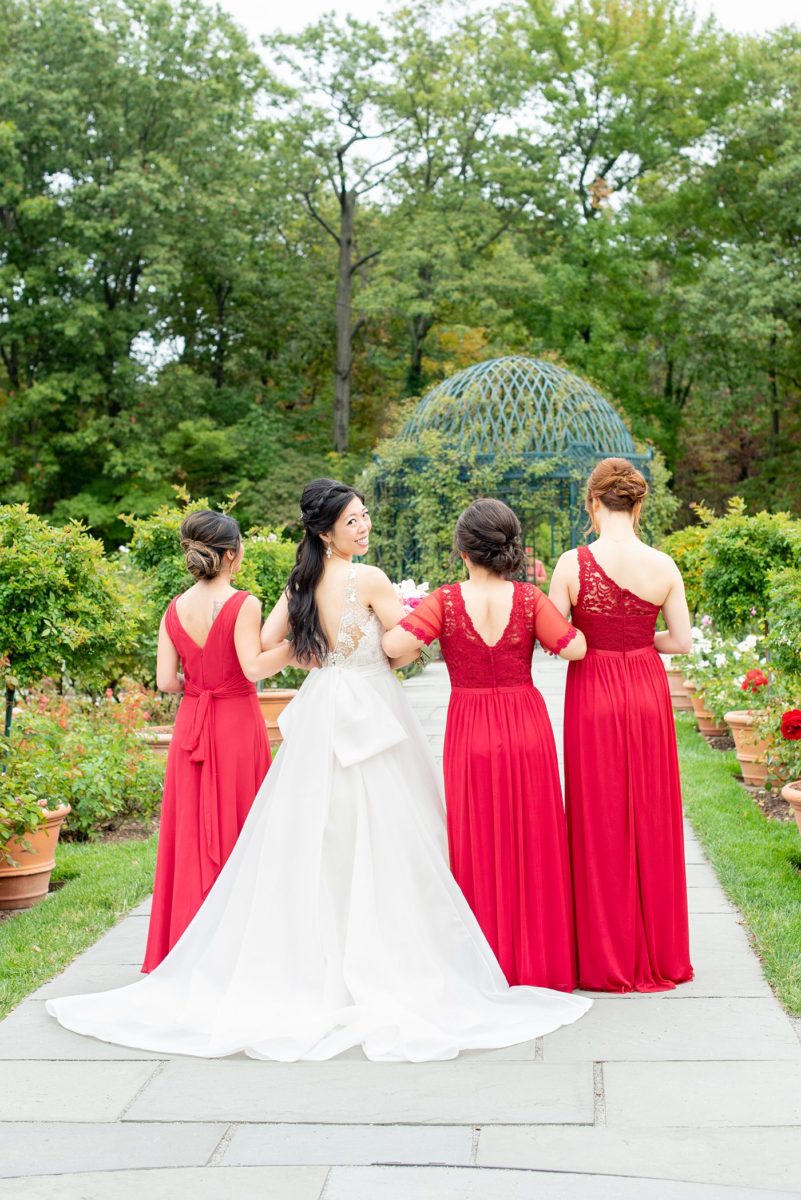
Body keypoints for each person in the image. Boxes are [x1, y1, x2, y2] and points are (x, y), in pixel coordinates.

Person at [47, 480, 591, 1060]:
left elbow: (261, 645)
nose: (365, 526)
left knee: (316, 827)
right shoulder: (372, 580)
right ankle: (390, 951)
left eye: (365, 516)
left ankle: (318, 953)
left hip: (325, 702)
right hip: (372, 706)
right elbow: (397, 648)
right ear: (327, 530)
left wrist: (316, 650)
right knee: (391, 827)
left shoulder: (301, 582)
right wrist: (392, 638)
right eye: (354, 520)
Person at [383, 499, 587, 991]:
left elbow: (395, 646)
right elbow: (574, 646)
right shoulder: (530, 598)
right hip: (525, 722)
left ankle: (485, 961)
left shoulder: (446, 601)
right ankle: (540, 961)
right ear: (511, 550)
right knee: (534, 837)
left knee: (478, 836)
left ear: (462, 551)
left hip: (471, 725)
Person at [549, 458, 694, 993]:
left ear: (592, 504)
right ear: (638, 505)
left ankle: (605, 953)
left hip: (593, 691)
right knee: (651, 812)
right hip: (647, 691)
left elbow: (558, 640)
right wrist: (638, 641)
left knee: (598, 814)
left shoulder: (572, 563)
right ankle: (660, 950)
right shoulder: (664, 564)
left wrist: (603, 641)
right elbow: (680, 642)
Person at [141, 510, 294, 972]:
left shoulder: (174, 607)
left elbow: (166, 680)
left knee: (189, 830)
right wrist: (302, 642)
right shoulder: (243, 603)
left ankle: (186, 943)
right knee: (242, 825)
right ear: (231, 554)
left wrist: (199, 679)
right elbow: (253, 666)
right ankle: (239, 945)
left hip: (191, 723)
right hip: (233, 723)